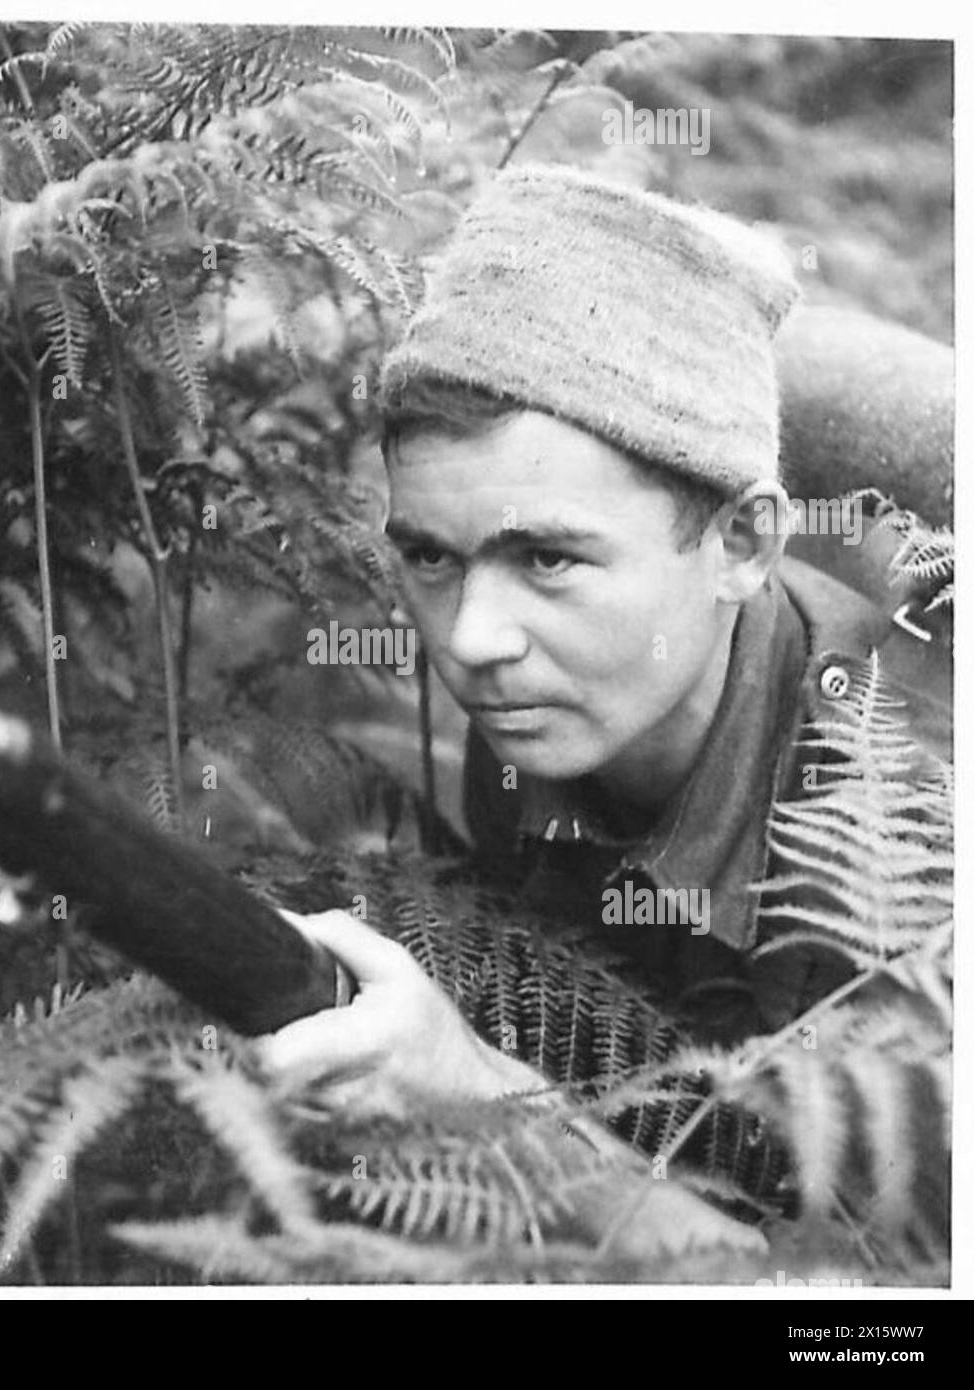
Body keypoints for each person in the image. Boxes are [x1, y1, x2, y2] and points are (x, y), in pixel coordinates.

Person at [256, 164, 950, 1124]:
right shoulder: (550, 721)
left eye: (545, 558)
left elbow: (841, 1271)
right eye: (429, 557)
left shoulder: (908, 845)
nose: (471, 641)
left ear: (739, 545)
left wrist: (478, 1099)